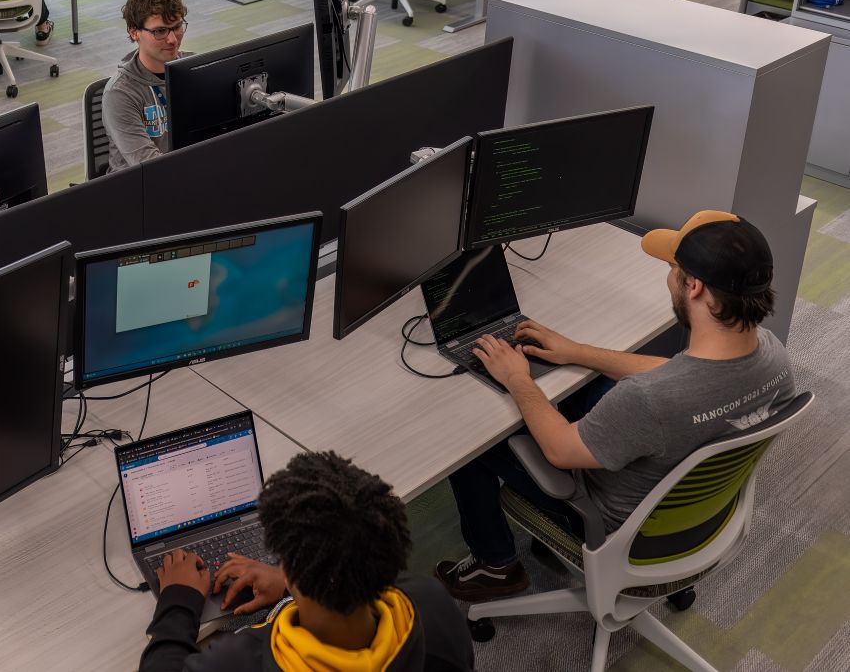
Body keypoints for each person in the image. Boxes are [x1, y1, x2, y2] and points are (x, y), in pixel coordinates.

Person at [434, 211, 795, 602]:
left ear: (693, 287)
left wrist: (516, 377)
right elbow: (675, 372)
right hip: (693, 513)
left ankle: (496, 564)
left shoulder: (648, 400)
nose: (669, 277)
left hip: (609, 525)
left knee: (473, 436)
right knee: (590, 389)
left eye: (673, 269)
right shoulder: (772, 355)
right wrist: (578, 352)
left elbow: (558, 448)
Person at [140, 451, 474, 672]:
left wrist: (178, 601)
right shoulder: (430, 600)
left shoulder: (239, 661)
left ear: (285, 563)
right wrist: (293, 587)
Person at [103, 0, 191, 172]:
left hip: (189, 175)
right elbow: (150, 167)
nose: (173, 39)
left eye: (177, 27)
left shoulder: (195, 68)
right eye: (160, 31)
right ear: (134, 32)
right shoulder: (120, 93)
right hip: (139, 189)